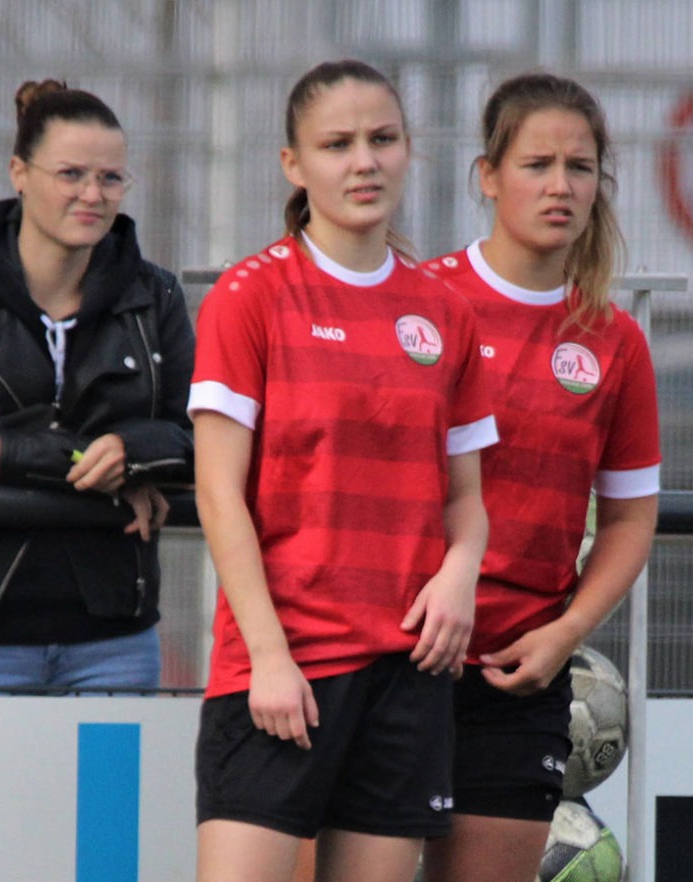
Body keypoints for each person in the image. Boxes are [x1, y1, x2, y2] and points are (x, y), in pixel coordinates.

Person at [190, 59, 497, 882]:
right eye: (337, 145)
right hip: (281, 665)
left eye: (382, 139)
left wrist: (461, 573)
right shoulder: (250, 296)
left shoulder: (445, 311)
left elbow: (467, 499)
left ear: (408, 150)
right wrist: (268, 656)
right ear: (293, 164)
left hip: (406, 674)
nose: (364, 161)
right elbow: (217, 493)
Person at [419, 72, 660, 882]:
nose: (561, 185)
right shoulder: (422, 303)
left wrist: (566, 633)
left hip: (519, 679)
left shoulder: (615, 340)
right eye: (537, 164)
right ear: (488, 176)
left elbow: (628, 519)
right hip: (396, 659)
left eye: (580, 167)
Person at [0, 79, 193, 690]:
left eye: (111, 178)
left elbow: (199, 436)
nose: (92, 195)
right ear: (19, 174)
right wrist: (94, 465)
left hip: (114, 636)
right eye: (71, 174)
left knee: (112, 761)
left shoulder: (154, 294)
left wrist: (133, 452)